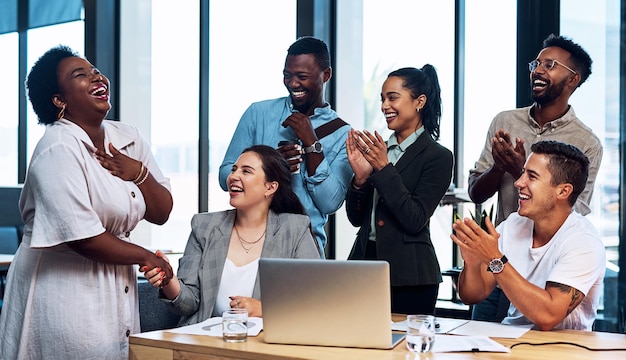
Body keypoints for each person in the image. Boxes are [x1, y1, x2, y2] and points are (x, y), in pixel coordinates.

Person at [0, 45, 174, 359]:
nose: (96, 76)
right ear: (59, 100)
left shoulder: (129, 137)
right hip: (63, 290)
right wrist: (147, 256)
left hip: (114, 288)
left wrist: (140, 173)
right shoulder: (57, 147)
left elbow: (162, 212)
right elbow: (85, 238)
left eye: (94, 70)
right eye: (80, 75)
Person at [467, 34, 602, 322]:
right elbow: (476, 194)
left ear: (572, 80)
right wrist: (499, 167)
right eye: (536, 63)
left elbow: (570, 212)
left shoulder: (587, 142)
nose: (538, 70)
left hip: (546, 270)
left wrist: (518, 168)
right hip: (502, 249)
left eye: (550, 65)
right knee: (486, 340)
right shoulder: (504, 121)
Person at [144, 145, 321, 325]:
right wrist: (169, 280)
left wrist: (262, 309)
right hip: (207, 343)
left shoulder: (294, 229)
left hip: (266, 344)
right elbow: (189, 304)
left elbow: (315, 298)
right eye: (234, 169)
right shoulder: (204, 227)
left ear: (270, 187)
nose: (233, 176)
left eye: (246, 171)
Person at [218, 36, 352, 255]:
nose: (293, 83)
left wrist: (311, 144)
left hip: (305, 245)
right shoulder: (258, 114)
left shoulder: (343, 134)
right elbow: (225, 175)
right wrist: (269, 166)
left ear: (326, 75)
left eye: (302, 76)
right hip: (248, 240)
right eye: (287, 76)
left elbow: (330, 203)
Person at [453, 140, 606, 331]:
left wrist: (494, 258)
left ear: (563, 191)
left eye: (531, 176)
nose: (518, 182)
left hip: (564, 348)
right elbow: (473, 295)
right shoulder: (514, 224)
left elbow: (548, 316)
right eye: (523, 173)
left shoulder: (583, 242)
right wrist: (473, 262)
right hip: (511, 340)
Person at [345, 66, 454, 315]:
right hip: (363, 267)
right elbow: (355, 219)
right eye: (382, 99)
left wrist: (383, 168)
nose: (384, 106)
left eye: (392, 97)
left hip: (411, 277)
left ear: (419, 102)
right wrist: (360, 180)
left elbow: (414, 218)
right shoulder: (377, 150)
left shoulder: (438, 156)